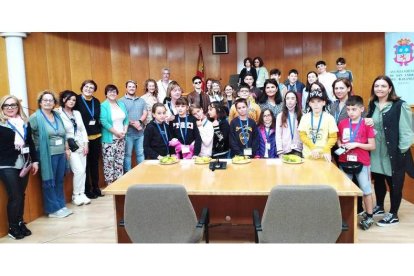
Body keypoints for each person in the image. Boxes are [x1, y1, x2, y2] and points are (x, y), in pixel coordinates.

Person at [366, 75, 414, 226]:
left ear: (390, 88)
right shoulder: (372, 104)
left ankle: (393, 213)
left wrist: (401, 152)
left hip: (394, 152)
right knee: (378, 180)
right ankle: (379, 206)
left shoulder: (400, 105)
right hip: (376, 151)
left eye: (383, 86)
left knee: (394, 183)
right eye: (377, 86)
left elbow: (407, 132)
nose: (379, 89)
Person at [29, 90, 73, 218]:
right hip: (46, 155)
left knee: (59, 180)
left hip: (60, 153)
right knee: (49, 182)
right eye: (45, 100)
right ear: (40, 103)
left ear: (54, 103)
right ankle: (53, 210)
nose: (48, 102)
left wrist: (66, 149)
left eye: (51, 100)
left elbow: (63, 134)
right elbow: (29, 138)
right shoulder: (35, 118)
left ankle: (61, 205)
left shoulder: (57, 115)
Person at [0, 95, 39, 239]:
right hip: (5, 164)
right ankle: (13, 227)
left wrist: (35, 161)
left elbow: (30, 143)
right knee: (15, 195)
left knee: (21, 195)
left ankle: (20, 222)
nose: (10, 108)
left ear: (18, 107)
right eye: (6, 105)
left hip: (24, 163)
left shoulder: (24, 123)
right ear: (2, 108)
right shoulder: (1, 124)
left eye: (13, 105)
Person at [337, 95, 375, 230]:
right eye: (348, 109)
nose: (350, 112)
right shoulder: (342, 123)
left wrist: (356, 144)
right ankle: (343, 217)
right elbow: (339, 139)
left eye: (354, 109)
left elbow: (372, 146)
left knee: (366, 189)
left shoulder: (366, 123)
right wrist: (341, 144)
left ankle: (369, 216)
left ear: (362, 109)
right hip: (344, 161)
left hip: (362, 162)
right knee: (344, 191)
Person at [56, 90, 91, 206]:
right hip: (70, 146)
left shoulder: (77, 113)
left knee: (83, 171)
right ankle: (75, 195)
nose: (71, 101)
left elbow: (82, 129)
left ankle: (82, 193)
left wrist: (86, 144)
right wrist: (66, 147)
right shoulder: (58, 113)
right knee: (79, 170)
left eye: (74, 100)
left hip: (81, 144)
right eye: (69, 99)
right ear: (63, 100)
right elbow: (60, 132)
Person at [74, 80, 102, 199]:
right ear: (82, 87)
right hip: (83, 139)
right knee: (84, 165)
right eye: (86, 86)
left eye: (91, 87)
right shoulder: (77, 100)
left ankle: (96, 187)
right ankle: (86, 189)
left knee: (94, 163)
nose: (89, 89)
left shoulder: (96, 101)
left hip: (96, 136)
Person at [298, 87, 338, 161]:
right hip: (308, 155)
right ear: (309, 103)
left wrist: (326, 150)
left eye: (319, 101)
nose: (316, 104)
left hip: (324, 156)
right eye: (313, 102)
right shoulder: (305, 117)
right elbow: (302, 135)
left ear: (324, 102)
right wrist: (313, 148)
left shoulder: (329, 118)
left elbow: (333, 137)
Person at [100, 84, 129, 185]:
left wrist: (124, 130)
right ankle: (110, 184)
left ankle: (119, 183)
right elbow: (104, 122)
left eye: (114, 91)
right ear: (106, 94)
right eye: (110, 91)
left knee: (119, 161)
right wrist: (116, 133)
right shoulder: (103, 105)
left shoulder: (120, 104)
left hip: (122, 137)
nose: (112, 93)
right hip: (109, 138)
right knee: (109, 162)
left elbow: (126, 119)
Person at [119, 80, 147, 173]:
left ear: (136, 88)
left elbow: (145, 112)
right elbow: (122, 115)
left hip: (140, 133)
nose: (132, 88)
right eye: (129, 86)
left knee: (140, 154)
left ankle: (142, 173)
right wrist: (134, 124)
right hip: (128, 133)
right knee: (127, 155)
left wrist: (139, 121)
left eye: (133, 86)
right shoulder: (121, 101)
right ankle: (128, 174)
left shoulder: (142, 100)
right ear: (126, 88)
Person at [276, 91, 303, 157]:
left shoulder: (302, 115)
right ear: (285, 101)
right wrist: (280, 150)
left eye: (292, 98)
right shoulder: (280, 116)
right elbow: (278, 134)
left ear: (296, 101)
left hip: (298, 149)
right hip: (285, 150)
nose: (290, 101)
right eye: (287, 98)